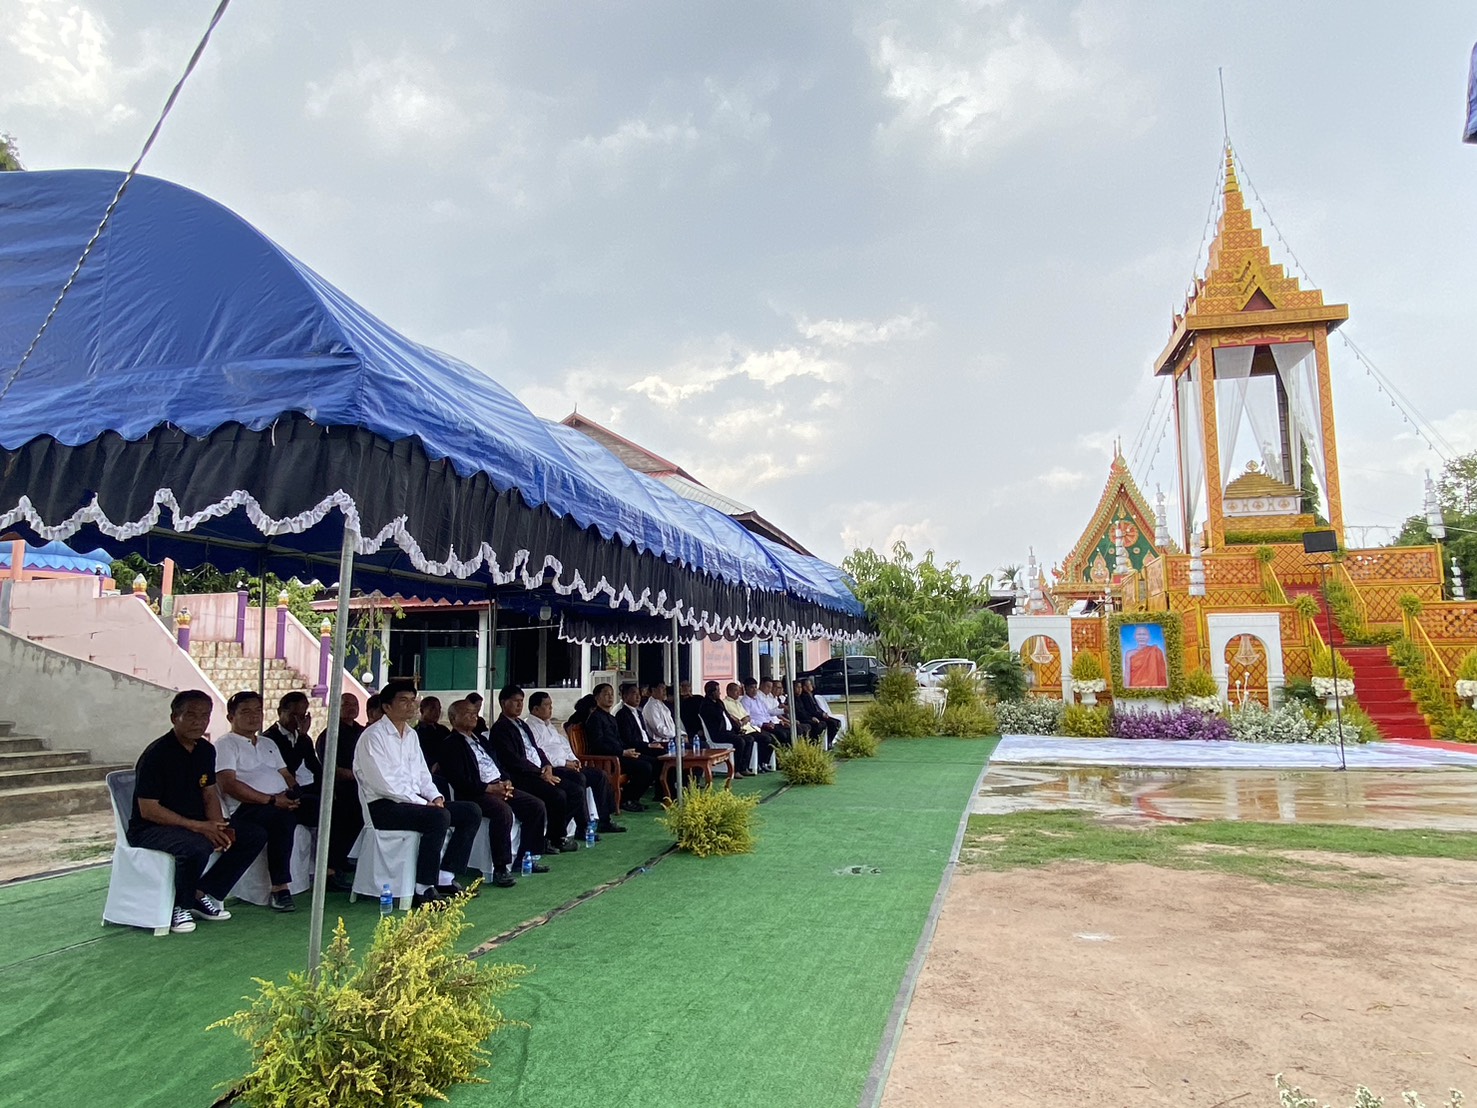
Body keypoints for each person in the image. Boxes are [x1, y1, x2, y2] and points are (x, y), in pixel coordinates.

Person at [127, 690, 268, 934]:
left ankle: (201, 893)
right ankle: (179, 906)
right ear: (174, 718)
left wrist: (217, 826)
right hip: (152, 827)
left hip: (196, 823)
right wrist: (199, 827)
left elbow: (209, 792)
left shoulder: (205, 750)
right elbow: (148, 809)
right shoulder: (156, 755)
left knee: (251, 835)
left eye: (204, 716)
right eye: (190, 715)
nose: (198, 722)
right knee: (196, 846)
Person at [353, 679, 481, 906]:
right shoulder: (373, 737)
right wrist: (423, 804)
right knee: (438, 817)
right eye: (403, 701)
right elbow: (385, 784)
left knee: (470, 811)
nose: (410, 706)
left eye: (413, 701)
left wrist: (435, 796)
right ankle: (423, 888)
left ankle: (445, 876)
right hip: (384, 806)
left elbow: (423, 774)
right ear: (387, 707)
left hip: (413, 803)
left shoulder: (411, 735)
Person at [438, 699, 550, 886]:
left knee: (536, 805)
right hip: (476, 792)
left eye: (475, 712)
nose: (474, 716)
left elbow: (498, 764)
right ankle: (500, 867)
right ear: (452, 718)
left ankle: (526, 858)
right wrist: (488, 788)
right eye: (467, 713)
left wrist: (506, 781)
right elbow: (459, 780)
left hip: (498, 786)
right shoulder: (451, 744)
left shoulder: (480, 738)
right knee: (502, 811)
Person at [215, 690, 303, 912]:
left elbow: (285, 774)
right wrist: (273, 800)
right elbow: (229, 784)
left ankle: (332, 871)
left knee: (328, 805)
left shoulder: (267, 743)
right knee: (282, 820)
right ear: (230, 717)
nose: (254, 716)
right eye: (246, 712)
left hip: (279, 801)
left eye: (258, 711)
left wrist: (294, 794)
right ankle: (280, 888)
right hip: (247, 808)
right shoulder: (226, 744)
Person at [488, 685, 580, 852]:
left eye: (521, 701)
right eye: (515, 701)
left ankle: (553, 834)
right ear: (503, 703)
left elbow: (537, 748)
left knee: (575, 791)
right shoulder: (500, 728)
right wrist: (540, 773)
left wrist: (546, 766)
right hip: (521, 776)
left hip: (539, 771)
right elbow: (513, 759)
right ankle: (555, 838)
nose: (519, 705)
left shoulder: (521, 724)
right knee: (558, 795)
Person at [527, 690, 624, 833]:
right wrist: (565, 763)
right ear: (535, 709)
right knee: (580, 779)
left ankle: (605, 820)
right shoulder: (530, 727)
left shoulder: (549, 725)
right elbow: (540, 753)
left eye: (551, 705)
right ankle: (583, 826)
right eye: (547, 705)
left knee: (599, 775)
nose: (550, 708)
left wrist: (573, 759)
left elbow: (564, 745)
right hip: (554, 767)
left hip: (568, 764)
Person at [308, 690, 366, 891]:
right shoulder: (329, 734)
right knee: (341, 819)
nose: (351, 708)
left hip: (364, 786)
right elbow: (329, 767)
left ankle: (342, 859)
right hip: (340, 789)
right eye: (346, 704)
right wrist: (357, 775)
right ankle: (330, 870)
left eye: (354, 705)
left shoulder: (361, 731)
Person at [581, 682, 655, 812]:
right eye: (606, 694)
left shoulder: (610, 717)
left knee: (652, 762)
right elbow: (598, 745)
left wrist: (629, 751)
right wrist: (622, 752)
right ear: (597, 697)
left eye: (611, 694)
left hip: (619, 755)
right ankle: (626, 799)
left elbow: (619, 740)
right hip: (608, 759)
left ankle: (633, 798)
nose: (610, 697)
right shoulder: (595, 719)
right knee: (645, 767)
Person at [262, 691, 320, 790]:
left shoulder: (304, 739)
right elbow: (290, 766)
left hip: (311, 786)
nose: (298, 721)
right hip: (289, 789)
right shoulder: (269, 738)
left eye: (302, 716)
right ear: (280, 712)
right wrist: (302, 737)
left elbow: (315, 767)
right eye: (293, 715)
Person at [616, 682, 666, 793]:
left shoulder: (638, 713)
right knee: (654, 762)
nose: (638, 697)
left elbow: (645, 733)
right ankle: (630, 796)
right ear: (625, 697)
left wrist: (653, 742)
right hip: (636, 748)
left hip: (645, 745)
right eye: (634, 694)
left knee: (665, 753)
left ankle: (663, 790)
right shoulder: (622, 714)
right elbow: (629, 739)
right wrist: (648, 745)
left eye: (639, 693)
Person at [696, 680, 754, 774]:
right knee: (740, 742)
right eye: (718, 690)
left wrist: (737, 728)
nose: (719, 693)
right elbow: (719, 719)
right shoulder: (706, 706)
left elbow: (727, 716)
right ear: (712, 692)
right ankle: (736, 770)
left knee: (749, 739)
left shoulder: (719, 703)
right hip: (718, 734)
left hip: (728, 731)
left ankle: (744, 767)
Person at [723, 681, 774, 771]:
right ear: (728, 692)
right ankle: (748, 766)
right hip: (741, 729)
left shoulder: (737, 702)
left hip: (750, 727)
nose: (738, 693)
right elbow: (730, 716)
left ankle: (762, 763)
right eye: (736, 691)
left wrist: (746, 719)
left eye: (739, 691)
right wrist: (743, 720)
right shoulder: (725, 703)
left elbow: (747, 716)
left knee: (770, 737)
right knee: (763, 739)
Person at [741, 678, 792, 747]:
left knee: (788, 732)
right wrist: (763, 724)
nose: (754, 690)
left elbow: (767, 712)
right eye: (751, 688)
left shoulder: (758, 699)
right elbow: (748, 719)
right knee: (779, 736)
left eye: (755, 687)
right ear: (746, 688)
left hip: (769, 724)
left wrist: (782, 711)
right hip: (759, 726)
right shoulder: (745, 701)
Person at [793, 679, 841, 748]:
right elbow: (806, 711)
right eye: (809, 685)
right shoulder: (803, 697)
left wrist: (823, 713)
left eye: (800, 687)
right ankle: (814, 743)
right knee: (824, 724)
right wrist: (816, 716)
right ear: (805, 687)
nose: (812, 686)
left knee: (837, 722)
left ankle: (828, 741)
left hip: (815, 715)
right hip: (808, 717)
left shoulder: (811, 695)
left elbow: (817, 707)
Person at [415, 696, 453, 773]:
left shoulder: (443, 729)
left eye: (439, 709)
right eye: (432, 709)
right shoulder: (416, 733)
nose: (437, 712)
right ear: (422, 710)